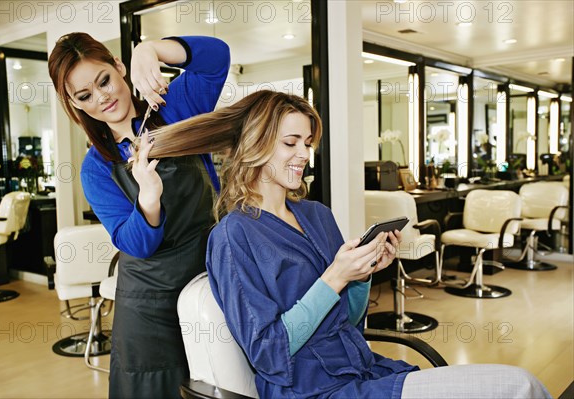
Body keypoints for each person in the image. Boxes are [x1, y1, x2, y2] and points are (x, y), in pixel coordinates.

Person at [143, 90, 551, 399]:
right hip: (311, 390)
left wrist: (363, 276)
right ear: (255, 145)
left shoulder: (317, 215)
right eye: (291, 143)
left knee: (521, 386)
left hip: (363, 370)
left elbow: (348, 321)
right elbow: (268, 353)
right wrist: (335, 277)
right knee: (518, 387)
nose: (305, 153)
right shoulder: (233, 237)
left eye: (308, 142)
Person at [48, 32, 230, 398]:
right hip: (148, 302)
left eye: (104, 80)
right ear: (75, 104)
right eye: (85, 96)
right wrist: (148, 199)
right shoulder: (96, 168)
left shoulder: (176, 109)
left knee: (219, 380)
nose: (102, 97)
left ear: (119, 67)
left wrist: (151, 49)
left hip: (209, 276)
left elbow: (216, 58)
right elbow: (134, 244)